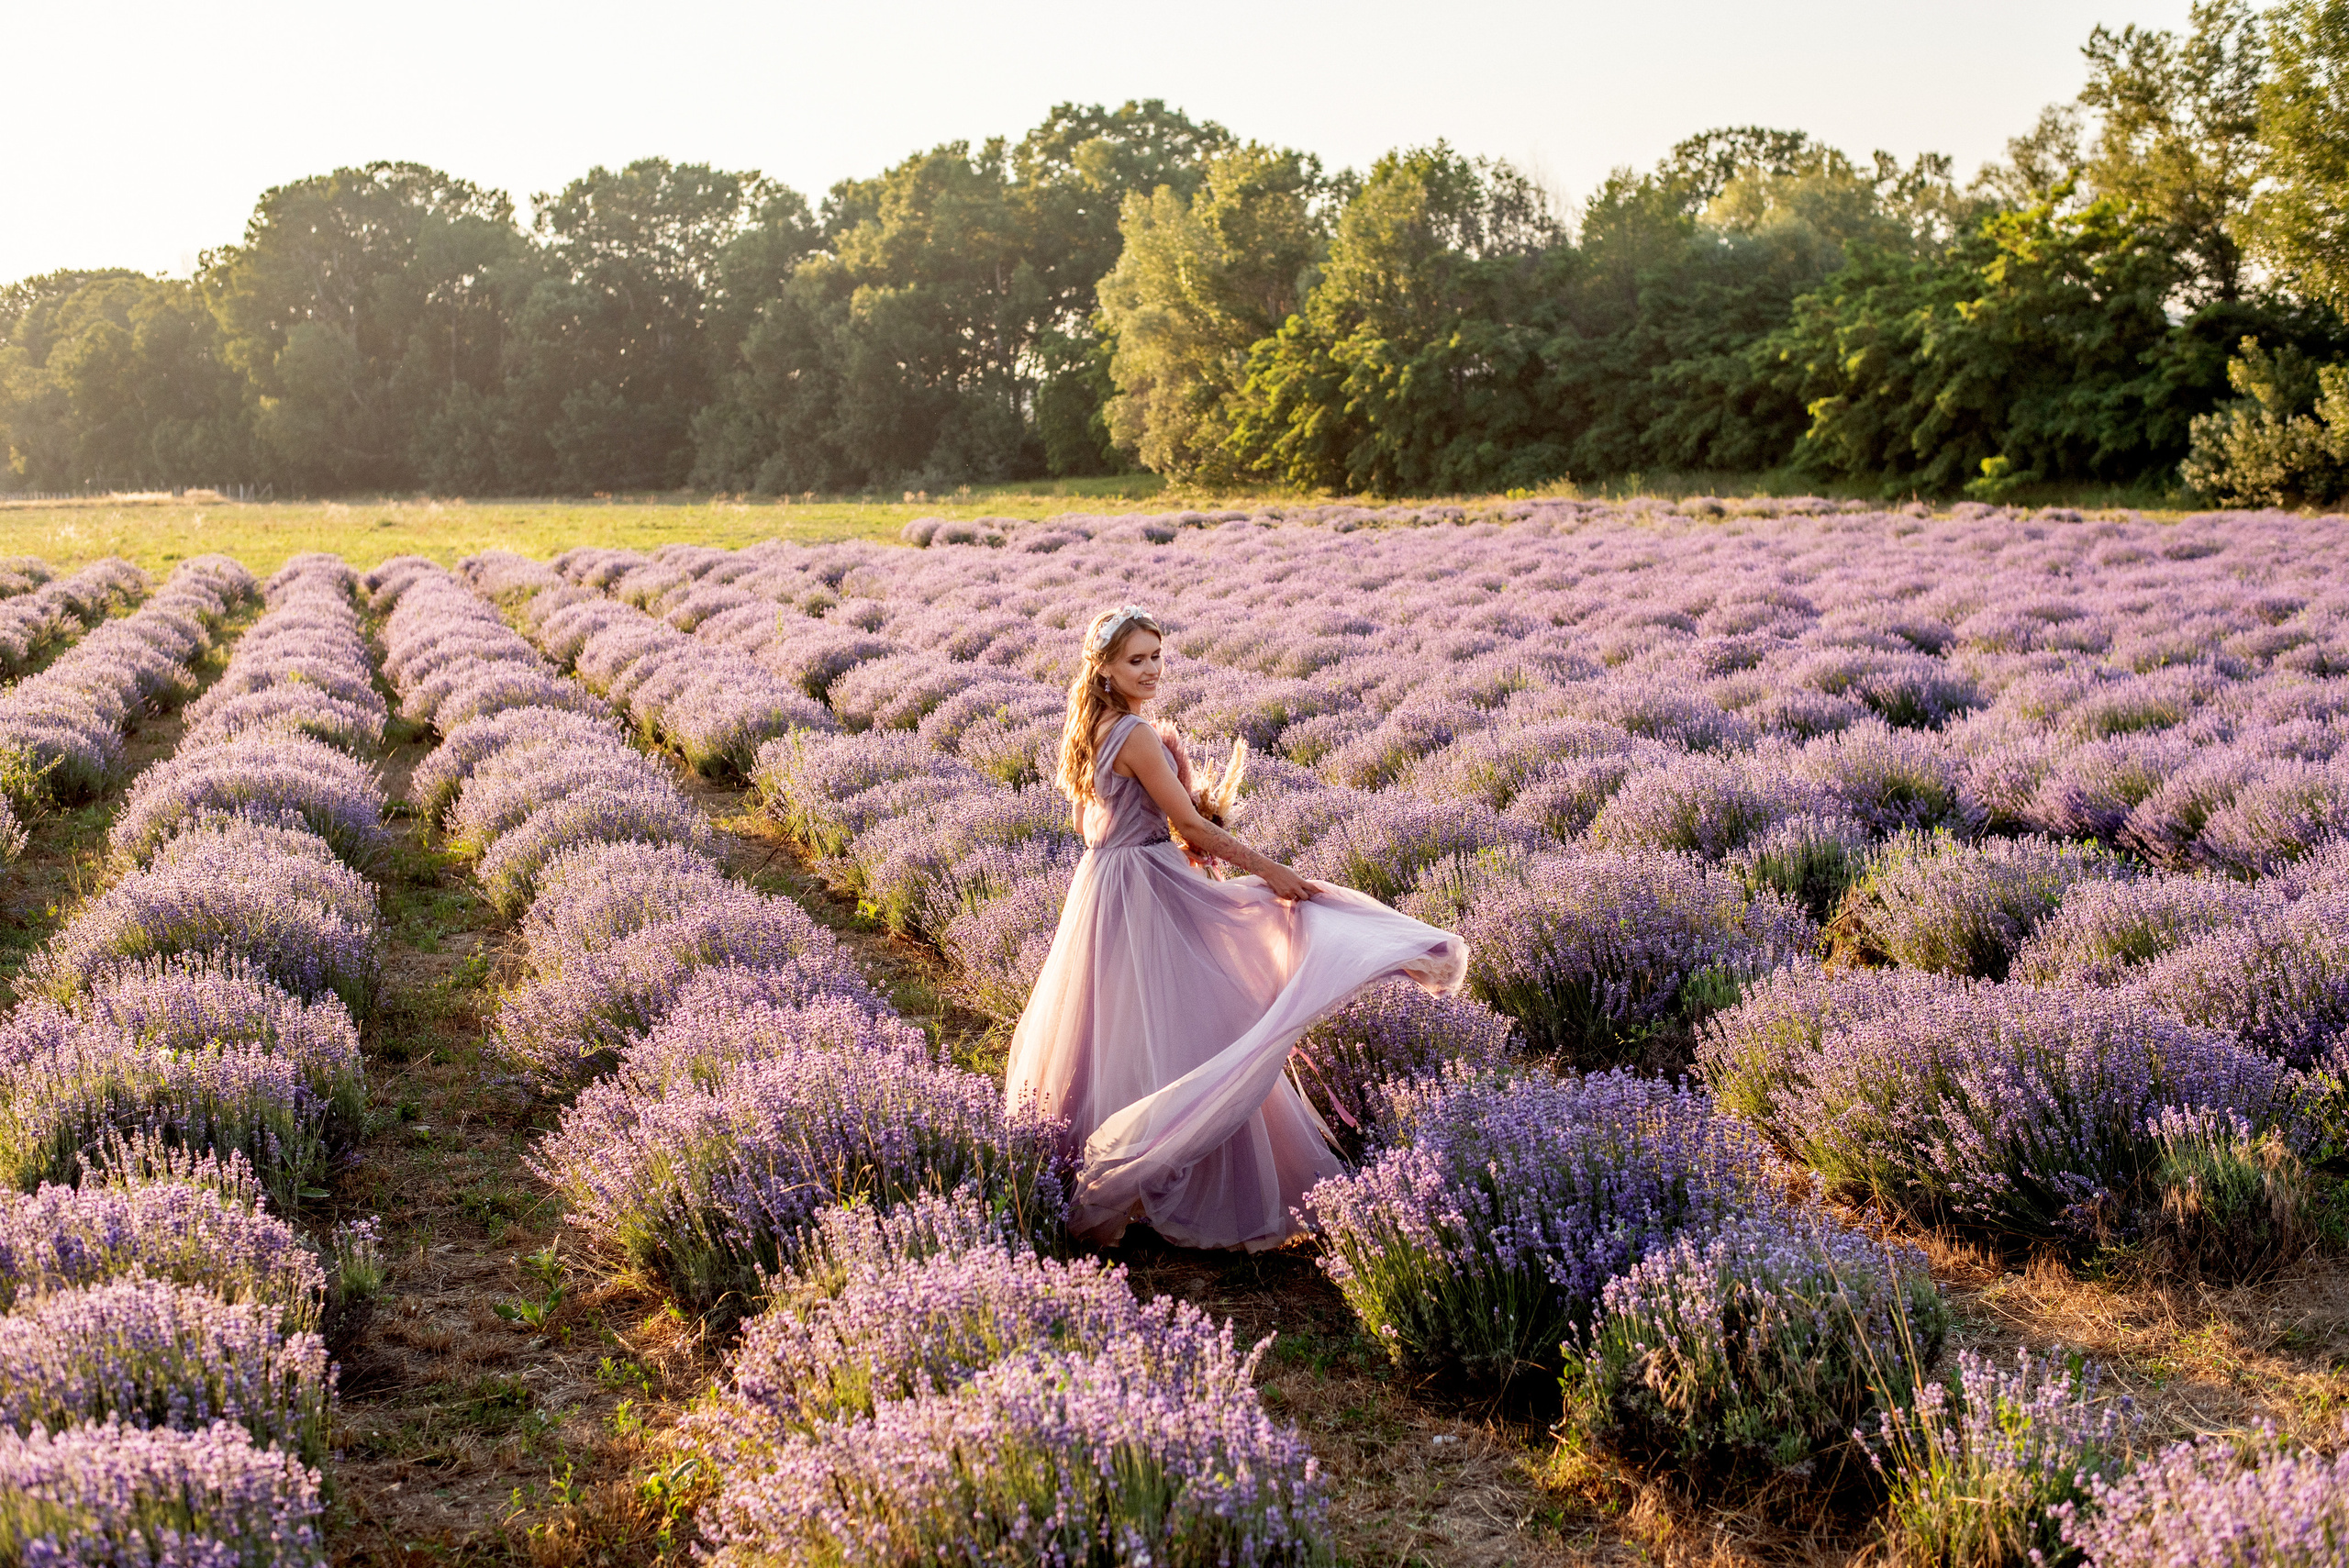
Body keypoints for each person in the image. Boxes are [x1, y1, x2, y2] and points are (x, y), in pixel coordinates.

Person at [1004, 604, 1469, 1251]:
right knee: (1203, 1009)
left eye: (1156, 656)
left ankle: (1091, 1160)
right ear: (1105, 667)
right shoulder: (1135, 734)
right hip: (1147, 887)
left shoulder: (1092, 727)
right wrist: (1271, 869)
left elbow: (1102, 823)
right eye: (1135, 660)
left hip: (1104, 886)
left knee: (1112, 1022)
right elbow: (1190, 826)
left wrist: (1163, 827)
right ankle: (1174, 1172)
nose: (1150, 670)